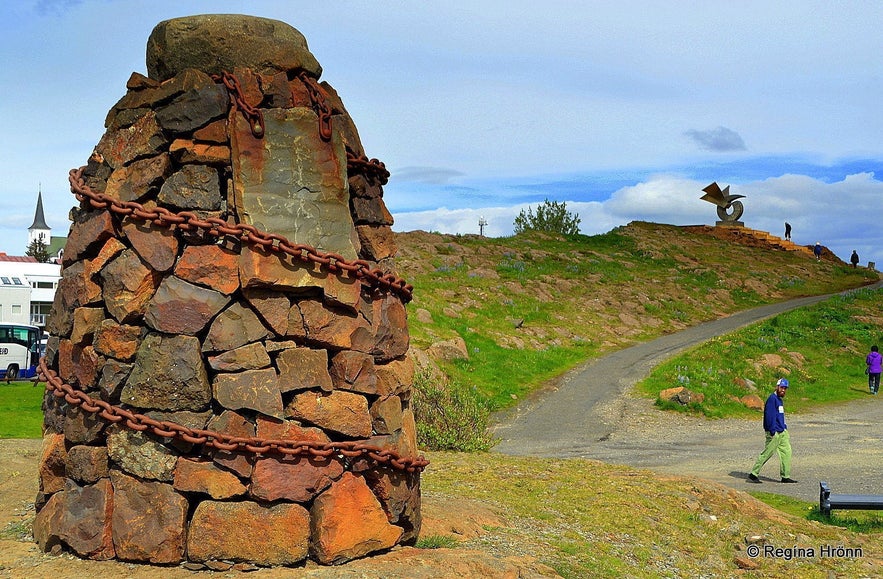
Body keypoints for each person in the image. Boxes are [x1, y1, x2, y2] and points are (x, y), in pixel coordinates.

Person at [748, 378, 797, 483]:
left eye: (785, 388)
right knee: (767, 453)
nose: (783, 390)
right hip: (774, 432)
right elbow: (769, 416)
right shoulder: (772, 399)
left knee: (787, 452)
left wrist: (784, 427)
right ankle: (753, 474)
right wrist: (772, 430)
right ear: (777, 387)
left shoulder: (779, 400)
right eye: (782, 387)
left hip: (782, 432)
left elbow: (779, 415)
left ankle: (785, 476)